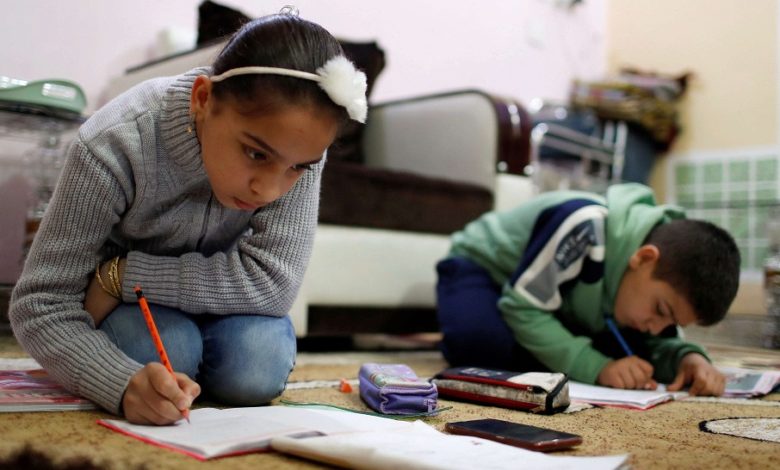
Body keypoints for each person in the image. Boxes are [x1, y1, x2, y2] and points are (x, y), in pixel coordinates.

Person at [9, 11, 368, 424]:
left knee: (256, 366)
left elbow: (272, 283)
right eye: (255, 154)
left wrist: (122, 275)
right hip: (138, 309)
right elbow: (40, 303)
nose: (269, 190)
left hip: (188, 296)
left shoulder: (300, 148)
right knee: (169, 353)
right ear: (202, 99)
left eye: (297, 168)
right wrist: (120, 382)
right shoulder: (114, 142)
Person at [436, 183, 740, 396]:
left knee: (630, 353)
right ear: (644, 258)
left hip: (555, 299)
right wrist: (597, 367)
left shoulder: (648, 291)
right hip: (483, 269)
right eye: (661, 310)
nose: (656, 327)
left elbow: (656, 343)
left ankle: (553, 344)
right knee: (482, 345)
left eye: (671, 322)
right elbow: (521, 306)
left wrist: (688, 359)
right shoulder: (585, 226)